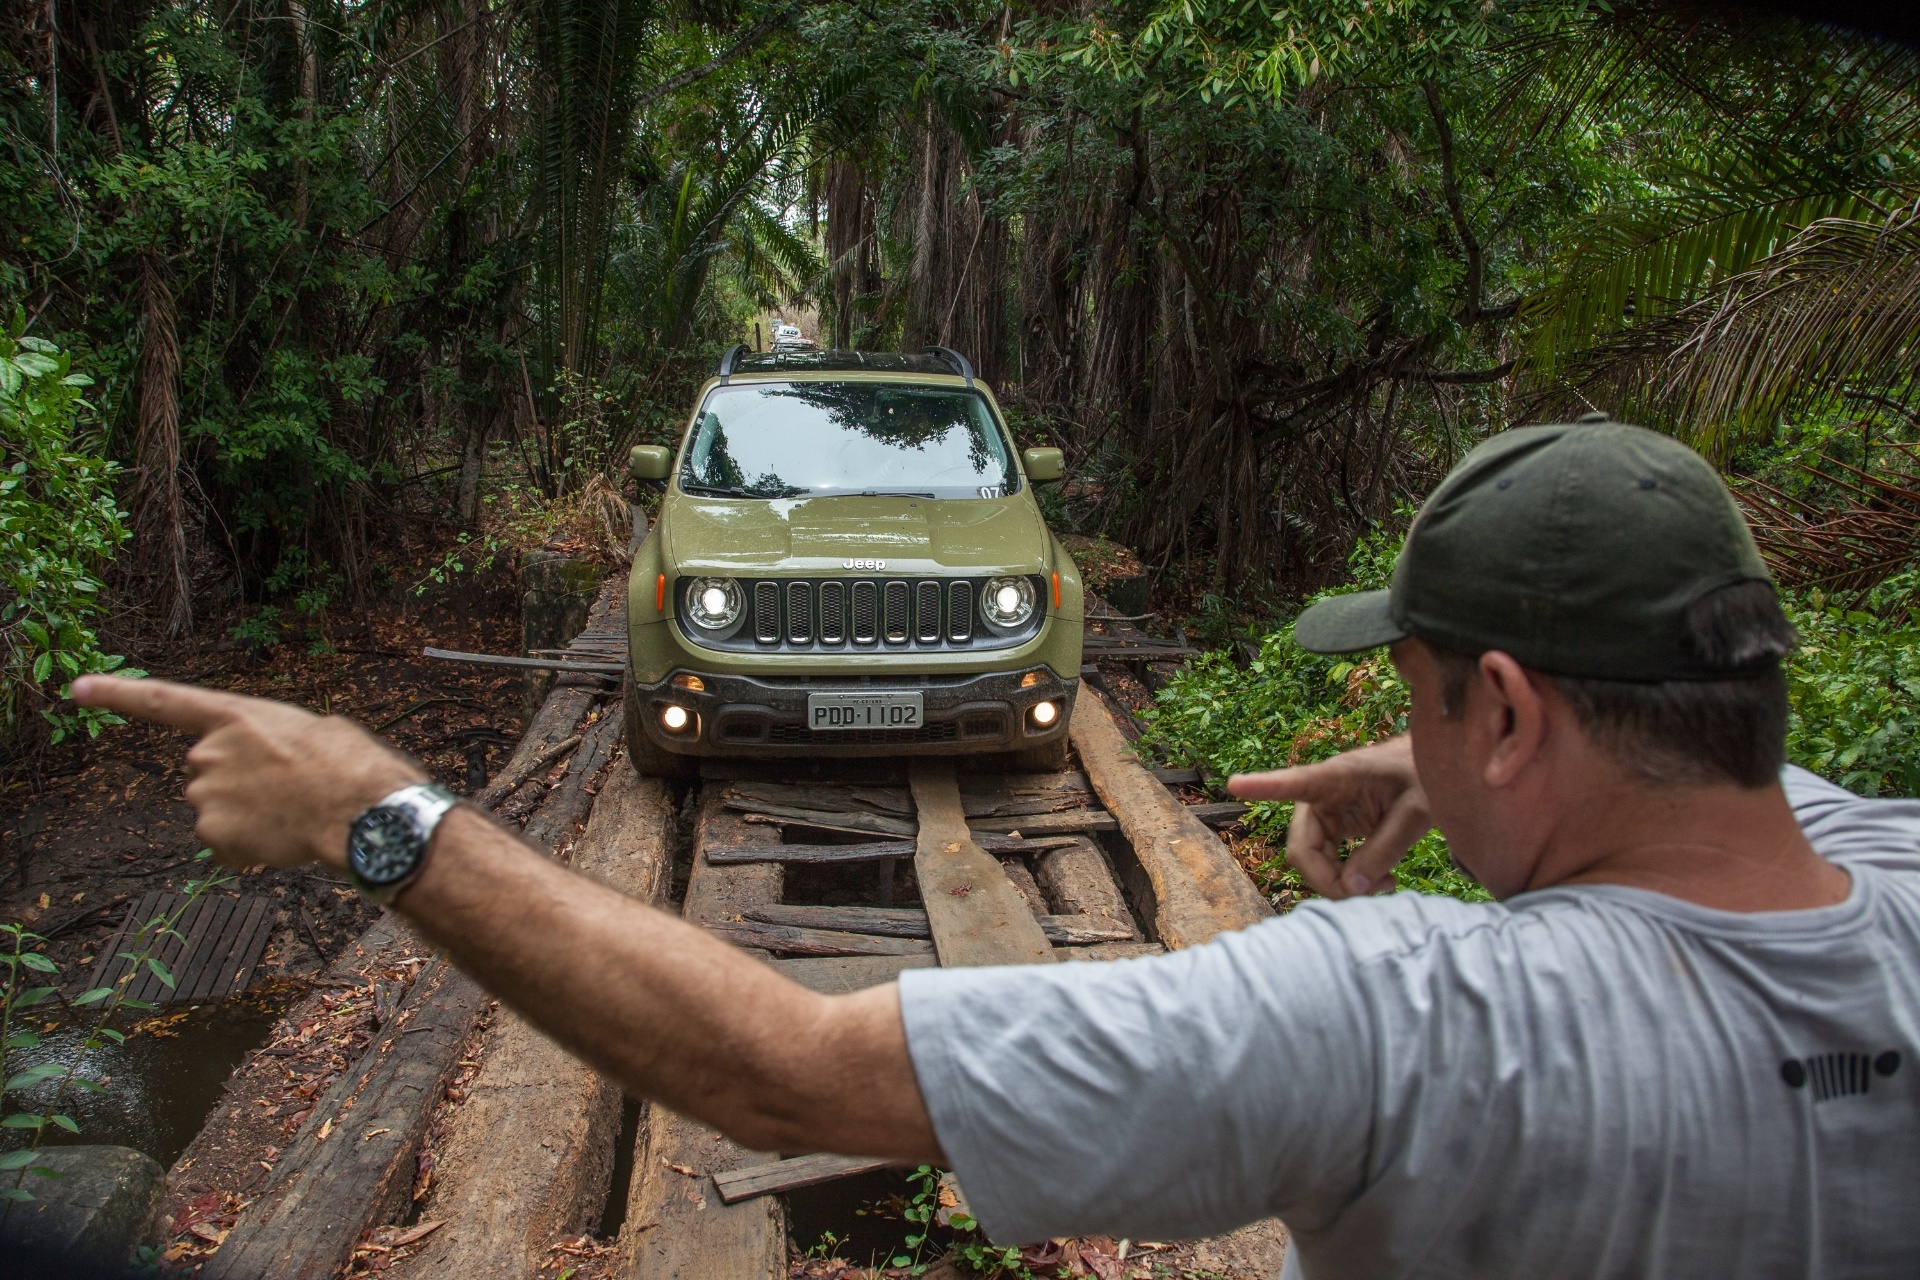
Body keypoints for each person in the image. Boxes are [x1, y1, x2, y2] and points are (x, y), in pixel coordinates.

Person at [75, 420, 1919, 1278]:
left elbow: (781, 1070)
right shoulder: (1892, 879)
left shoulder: (1409, 1017)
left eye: (1430, 695)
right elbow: (1776, 809)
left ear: (1510, 711)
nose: (1418, 725)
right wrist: (1462, 764)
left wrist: (376, 813)